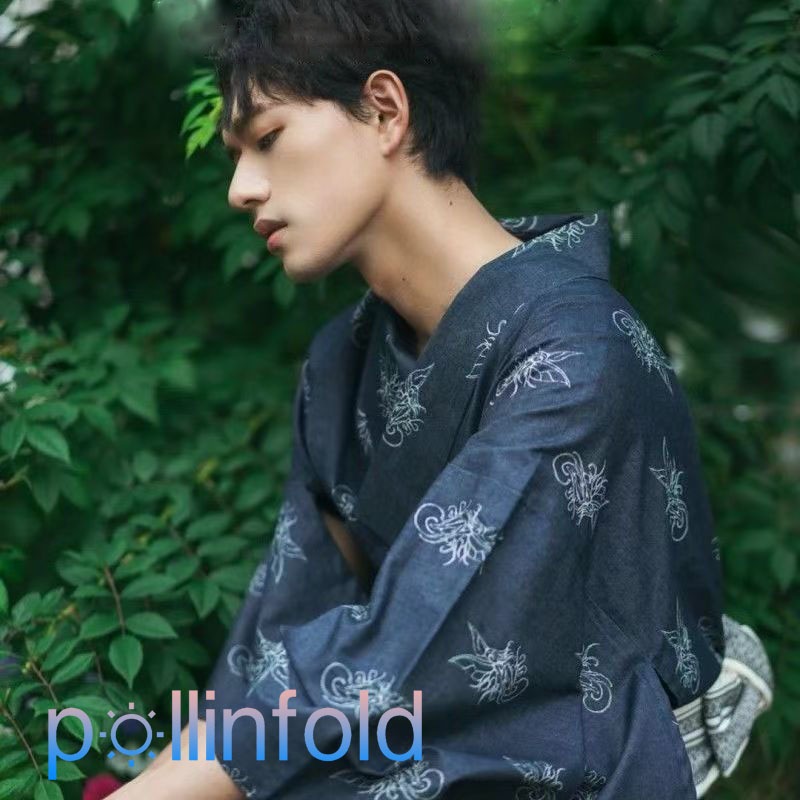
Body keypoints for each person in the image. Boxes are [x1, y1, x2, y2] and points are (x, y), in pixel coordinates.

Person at [109, 1, 773, 797]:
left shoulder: (577, 356)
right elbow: (283, 639)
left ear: (385, 111)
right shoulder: (342, 365)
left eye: (269, 138)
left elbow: (397, 655)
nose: (239, 189)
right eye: (234, 154)